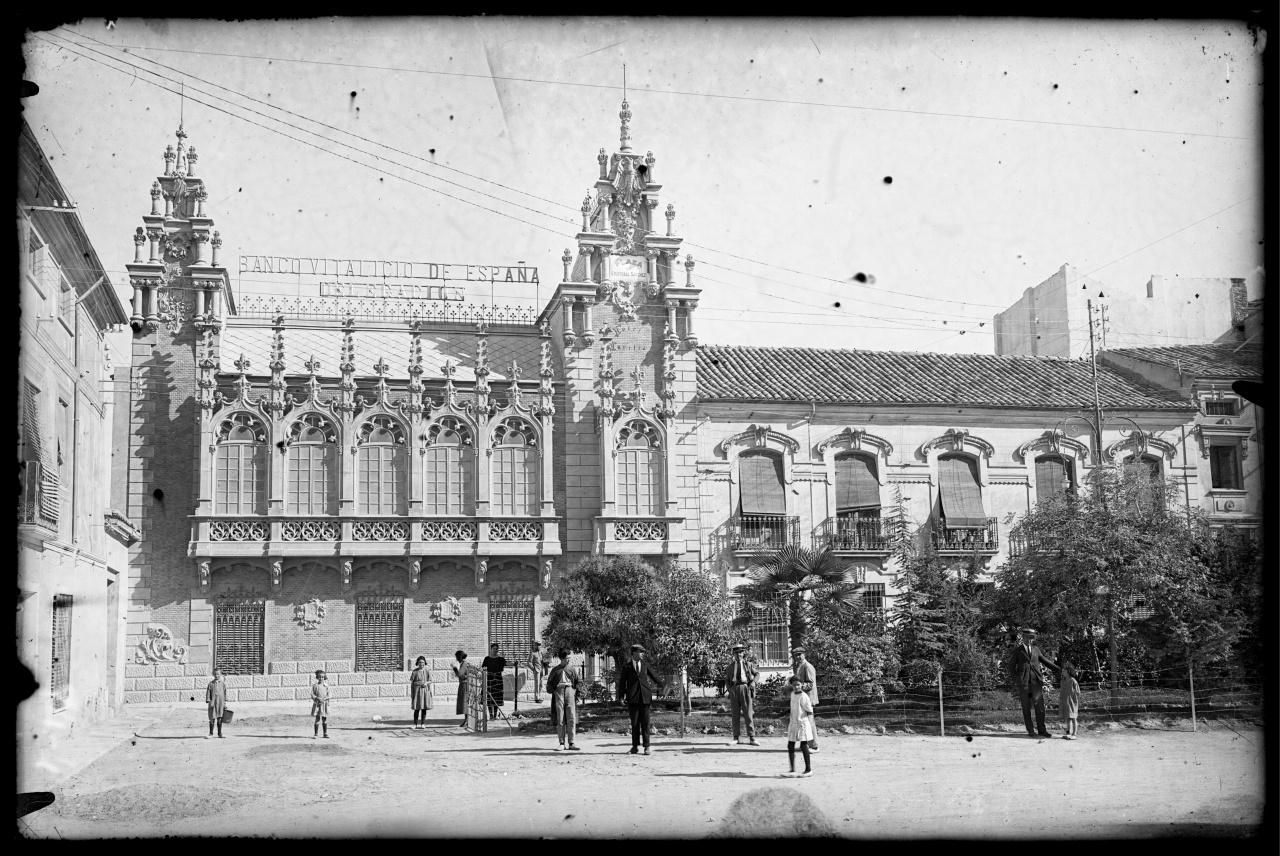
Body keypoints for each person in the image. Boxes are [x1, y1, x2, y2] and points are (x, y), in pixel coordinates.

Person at [1009, 627, 1061, 738]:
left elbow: (1045, 661)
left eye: (1031, 638)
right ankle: (1031, 730)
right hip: (1024, 684)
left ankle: (1042, 730)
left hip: (1036, 682)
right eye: (1027, 638)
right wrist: (1018, 680)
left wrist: (1058, 669)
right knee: (1026, 708)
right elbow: (1011, 667)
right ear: (1023, 637)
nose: (1029, 640)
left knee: (1040, 708)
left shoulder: (1036, 649)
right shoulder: (1018, 651)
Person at [617, 644, 663, 756]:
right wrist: (621, 697)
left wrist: (664, 686)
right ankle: (634, 747)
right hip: (633, 699)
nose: (642, 654)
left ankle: (647, 747)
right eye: (640, 652)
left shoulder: (645, 665)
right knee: (635, 723)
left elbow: (654, 677)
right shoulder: (627, 667)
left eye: (642, 652)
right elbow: (622, 683)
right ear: (633, 653)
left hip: (645, 697)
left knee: (646, 723)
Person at [547, 647, 583, 751]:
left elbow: (578, 681)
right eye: (567, 658)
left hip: (570, 691)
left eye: (569, 658)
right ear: (561, 659)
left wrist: (576, 691)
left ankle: (572, 742)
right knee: (560, 717)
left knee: (571, 716)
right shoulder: (555, 670)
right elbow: (549, 684)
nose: (568, 660)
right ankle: (561, 742)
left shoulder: (572, 669)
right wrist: (553, 690)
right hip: (558, 691)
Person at [726, 643, 760, 746]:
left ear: (743, 653)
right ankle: (736, 738)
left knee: (748, 713)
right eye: (736, 653)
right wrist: (730, 689)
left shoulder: (748, 664)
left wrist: (754, 682)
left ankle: (752, 738)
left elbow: (757, 674)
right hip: (735, 689)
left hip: (746, 688)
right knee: (735, 714)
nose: (738, 655)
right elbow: (727, 680)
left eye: (740, 652)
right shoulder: (730, 667)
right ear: (733, 654)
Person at [783, 675, 815, 778]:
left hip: (803, 724)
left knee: (803, 746)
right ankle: (792, 769)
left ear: (802, 685)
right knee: (790, 745)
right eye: (794, 685)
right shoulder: (792, 694)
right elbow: (793, 708)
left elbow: (810, 711)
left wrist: (809, 725)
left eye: (798, 684)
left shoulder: (804, 696)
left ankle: (808, 770)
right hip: (793, 723)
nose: (796, 687)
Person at [791, 646, 819, 752]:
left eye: (799, 654)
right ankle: (806, 744)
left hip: (808, 698)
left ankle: (815, 745)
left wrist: (798, 686)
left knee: (810, 722)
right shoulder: (799, 666)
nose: (797, 657)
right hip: (802, 699)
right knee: (804, 723)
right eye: (795, 655)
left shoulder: (807, 666)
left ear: (804, 654)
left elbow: (811, 684)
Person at [481, 643, 507, 719]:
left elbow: (507, 663)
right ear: (491, 649)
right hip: (489, 680)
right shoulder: (487, 659)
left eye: (497, 649)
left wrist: (515, 663)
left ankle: (495, 715)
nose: (495, 650)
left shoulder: (500, 659)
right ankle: (491, 715)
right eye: (494, 648)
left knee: (496, 698)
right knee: (489, 698)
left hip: (498, 680)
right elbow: (483, 668)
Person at [1059, 661, 1081, 740]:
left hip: (1072, 703)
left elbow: (1078, 692)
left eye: (1064, 671)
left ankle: (1074, 734)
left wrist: (1074, 700)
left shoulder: (1073, 681)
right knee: (1067, 717)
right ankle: (1068, 732)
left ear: (1068, 671)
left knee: (1073, 718)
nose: (1062, 672)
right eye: (1062, 671)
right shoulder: (1063, 681)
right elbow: (1062, 691)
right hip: (1065, 703)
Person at [410, 656, 433, 729]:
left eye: (423, 662)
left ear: (425, 663)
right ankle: (415, 724)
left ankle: (423, 723)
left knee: (424, 708)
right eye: (420, 662)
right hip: (417, 691)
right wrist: (412, 692)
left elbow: (431, 680)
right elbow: (412, 682)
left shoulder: (427, 671)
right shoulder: (414, 671)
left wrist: (426, 683)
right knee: (417, 708)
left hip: (424, 691)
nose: (421, 664)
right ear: (417, 663)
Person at [452, 650, 473, 727]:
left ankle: (467, 720)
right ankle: (467, 720)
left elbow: (460, 674)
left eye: (457, 657)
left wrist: (454, 668)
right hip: (466, 684)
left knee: (464, 702)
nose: (456, 659)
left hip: (464, 685)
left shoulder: (464, 664)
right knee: (465, 702)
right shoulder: (466, 663)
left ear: (459, 657)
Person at [205, 667, 226, 739]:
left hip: (220, 703)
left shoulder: (223, 684)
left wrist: (225, 703)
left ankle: (220, 733)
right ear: (213, 674)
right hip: (213, 703)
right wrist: (208, 700)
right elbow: (208, 693)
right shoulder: (211, 684)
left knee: (220, 717)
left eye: (218, 674)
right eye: (215, 674)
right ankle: (211, 733)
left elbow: (225, 693)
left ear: (221, 675)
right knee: (212, 718)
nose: (217, 675)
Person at [311, 669, 330, 739]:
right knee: (317, 719)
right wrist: (316, 698)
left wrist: (325, 698)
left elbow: (330, 695)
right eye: (319, 677)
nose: (321, 678)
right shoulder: (315, 686)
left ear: (324, 677)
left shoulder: (326, 686)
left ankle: (325, 733)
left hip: (324, 704)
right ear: (317, 677)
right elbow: (312, 694)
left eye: (322, 677)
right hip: (318, 705)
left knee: (324, 719)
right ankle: (316, 734)